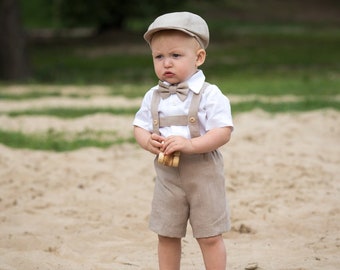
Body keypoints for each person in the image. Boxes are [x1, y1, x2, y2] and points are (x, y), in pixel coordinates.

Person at [133, 11, 233, 270]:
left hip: (203, 172)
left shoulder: (210, 94)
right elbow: (139, 126)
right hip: (167, 173)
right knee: (166, 233)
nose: (166, 63)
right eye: (159, 56)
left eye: (175, 55)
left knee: (209, 234)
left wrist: (190, 145)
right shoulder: (153, 96)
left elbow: (223, 131)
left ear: (198, 57)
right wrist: (147, 142)